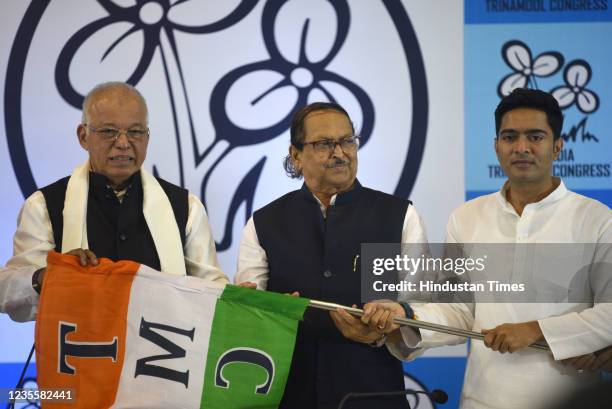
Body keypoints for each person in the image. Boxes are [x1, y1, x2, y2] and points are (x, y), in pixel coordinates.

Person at [362, 88, 612, 409]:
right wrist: (406, 316)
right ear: (496, 147)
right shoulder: (466, 217)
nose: (521, 148)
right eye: (510, 137)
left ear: (558, 146)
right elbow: (459, 311)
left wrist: (535, 330)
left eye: (535, 137)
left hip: (570, 399)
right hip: (483, 399)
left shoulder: (597, 219)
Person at [235, 102, 428, 409]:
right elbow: (249, 321)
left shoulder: (398, 216)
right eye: (325, 144)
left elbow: (420, 312)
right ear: (296, 156)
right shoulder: (264, 222)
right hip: (288, 397)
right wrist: (256, 312)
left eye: (347, 140)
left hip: (373, 395)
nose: (340, 153)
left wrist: (387, 328)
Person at [0, 82, 228, 322]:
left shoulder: (185, 207)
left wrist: (237, 299)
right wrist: (46, 276)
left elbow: (211, 289)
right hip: (78, 355)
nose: (123, 142)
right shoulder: (45, 205)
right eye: (109, 131)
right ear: (83, 136)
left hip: (164, 356)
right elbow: (7, 293)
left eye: (135, 131)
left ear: (147, 137)